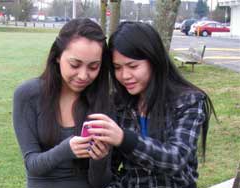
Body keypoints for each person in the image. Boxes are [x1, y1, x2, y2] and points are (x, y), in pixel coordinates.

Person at [85, 21, 216, 188]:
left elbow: (176, 159)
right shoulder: (118, 104)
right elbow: (112, 172)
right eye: (117, 67)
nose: (125, 75)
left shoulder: (189, 101)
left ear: (154, 60)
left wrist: (124, 138)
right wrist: (100, 158)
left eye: (133, 66)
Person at [13, 18, 111, 188]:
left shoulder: (104, 102)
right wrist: (66, 149)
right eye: (75, 64)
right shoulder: (27, 95)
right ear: (58, 56)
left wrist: (99, 159)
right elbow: (33, 165)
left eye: (93, 67)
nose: (83, 75)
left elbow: (100, 182)